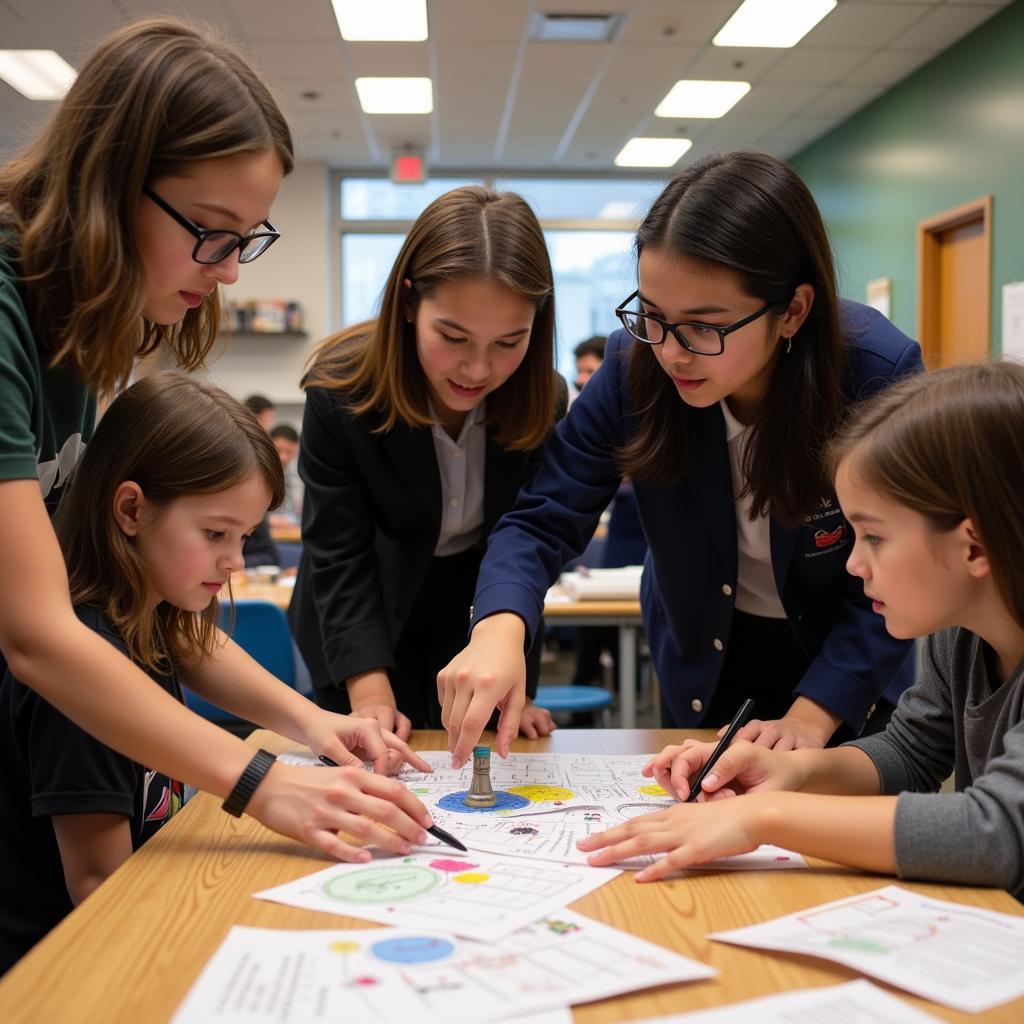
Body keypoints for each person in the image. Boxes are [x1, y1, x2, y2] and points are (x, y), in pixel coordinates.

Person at [0, 18, 432, 861]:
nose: (229, 269)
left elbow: (139, 610)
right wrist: (260, 782)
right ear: (113, 184)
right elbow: (38, 633)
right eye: (210, 230)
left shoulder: (80, 324)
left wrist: (314, 723)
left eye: (246, 240)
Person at [439, 151, 923, 766]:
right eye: (653, 317)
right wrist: (499, 626)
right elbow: (543, 515)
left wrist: (813, 714)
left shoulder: (874, 373)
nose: (670, 353)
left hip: (844, 665)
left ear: (792, 311)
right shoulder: (629, 366)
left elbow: (902, 562)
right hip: (707, 657)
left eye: (703, 327)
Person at [0, 373, 432, 972]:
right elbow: (100, 887)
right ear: (131, 509)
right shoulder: (84, 669)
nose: (233, 561)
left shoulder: (149, 618)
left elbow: (195, 644)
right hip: (68, 975)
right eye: (214, 534)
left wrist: (317, 722)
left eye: (245, 536)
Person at [579, 363, 1024, 894]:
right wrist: (789, 771)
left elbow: (993, 833)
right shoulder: (964, 632)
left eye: (874, 537)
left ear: (972, 546)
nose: (854, 565)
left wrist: (767, 817)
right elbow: (911, 750)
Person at [289, 186, 563, 740]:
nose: (478, 368)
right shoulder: (341, 391)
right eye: (453, 336)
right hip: (362, 613)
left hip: (475, 610)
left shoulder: (543, 398)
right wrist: (368, 693)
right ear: (410, 302)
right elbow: (338, 554)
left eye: (510, 342)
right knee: (376, 760)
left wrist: (518, 684)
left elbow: (524, 547)